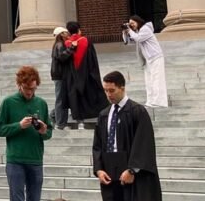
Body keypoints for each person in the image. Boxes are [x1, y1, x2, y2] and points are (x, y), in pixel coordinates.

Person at [92, 71, 162, 201]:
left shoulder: (137, 111)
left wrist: (132, 170)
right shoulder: (104, 115)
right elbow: (97, 145)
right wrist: (99, 170)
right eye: (106, 90)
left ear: (122, 88)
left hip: (133, 174)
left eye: (112, 90)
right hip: (109, 173)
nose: (108, 94)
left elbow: (144, 143)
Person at [0, 66, 52, 201]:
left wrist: (43, 131)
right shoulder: (8, 103)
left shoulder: (41, 103)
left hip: (36, 159)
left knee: (35, 198)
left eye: (33, 88)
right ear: (19, 85)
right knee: (17, 198)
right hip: (15, 160)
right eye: (26, 88)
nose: (30, 92)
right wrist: (18, 126)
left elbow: (49, 133)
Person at [64, 21, 109, 126]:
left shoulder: (67, 44)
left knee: (76, 94)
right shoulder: (86, 41)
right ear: (79, 30)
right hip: (87, 74)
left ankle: (79, 115)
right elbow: (92, 61)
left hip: (73, 75)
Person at [122, 16, 168, 108]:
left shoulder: (145, 29)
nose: (131, 25)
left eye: (133, 23)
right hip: (147, 60)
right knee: (149, 81)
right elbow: (128, 42)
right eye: (130, 24)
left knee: (157, 80)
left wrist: (130, 30)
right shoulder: (137, 32)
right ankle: (150, 101)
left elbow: (138, 39)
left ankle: (159, 102)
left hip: (155, 57)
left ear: (138, 21)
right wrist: (125, 32)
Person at [50, 27, 74, 130]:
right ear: (61, 34)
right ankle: (60, 123)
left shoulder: (59, 44)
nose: (68, 34)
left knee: (62, 99)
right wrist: (72, 48)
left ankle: (58, 119)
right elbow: (62, 57)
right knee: (60, 99)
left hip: (60, 75)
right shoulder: (59, 45)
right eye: (65, 33)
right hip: (60, 75)